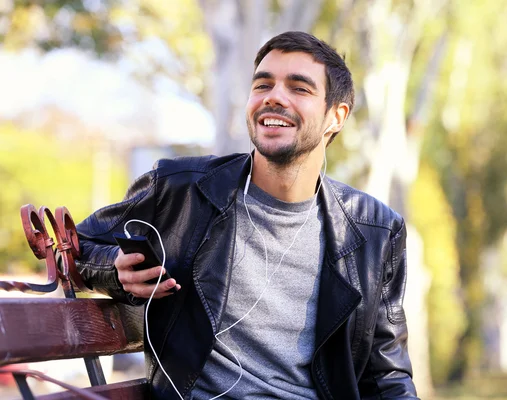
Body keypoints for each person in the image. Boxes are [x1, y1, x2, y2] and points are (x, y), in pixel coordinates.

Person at [75, 31, 419, 399]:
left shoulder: (376, 229)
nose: (274, 97)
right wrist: (115, 267)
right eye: (263, 84)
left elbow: (386, 374)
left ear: (336, 116)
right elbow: (79, 242)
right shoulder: (181, 189)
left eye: (299, 88)